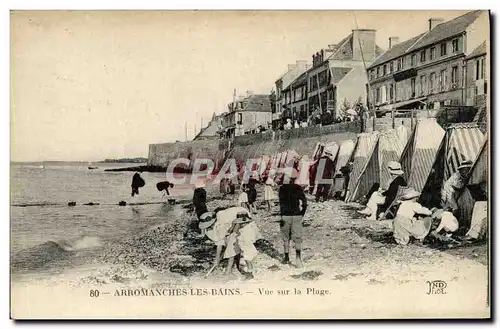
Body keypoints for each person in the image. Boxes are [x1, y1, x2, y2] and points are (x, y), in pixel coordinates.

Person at [199, 207, 261, 280]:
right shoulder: (217, 225)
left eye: (209, 225)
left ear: (213, 221)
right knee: (232, 244)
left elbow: (234, 226)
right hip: (234, 222)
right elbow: (220, 241)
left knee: (233, 244)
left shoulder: (223, 219)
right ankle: (232, 267)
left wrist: (218, 257)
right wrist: (217, 257)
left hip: (242, 217)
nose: (209, 227)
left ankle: (229, 272)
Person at [279, 171, 308, 268]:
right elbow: (304, 202)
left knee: (286, 238)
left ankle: (286, 257)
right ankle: (298, 259)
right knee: (298, 238)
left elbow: (281, 203)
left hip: (285, 215)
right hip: (296, 215)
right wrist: (302, 213)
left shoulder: (282, 188)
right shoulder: (298, 188)